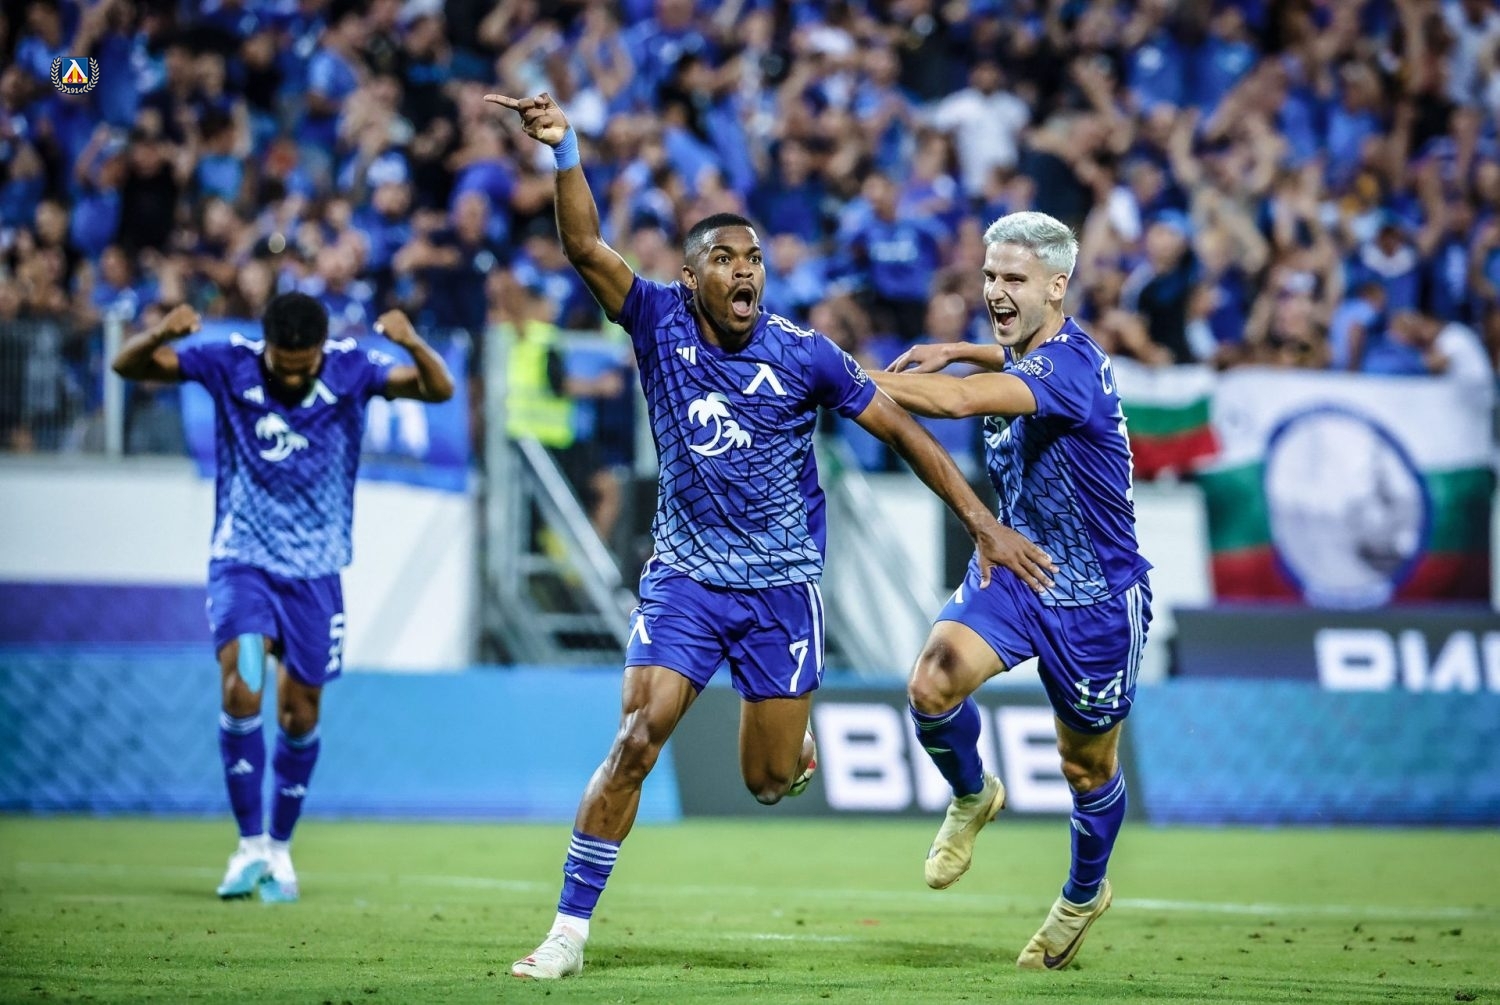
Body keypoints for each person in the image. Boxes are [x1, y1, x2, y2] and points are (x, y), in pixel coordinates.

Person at [484, 90, 1034, 981]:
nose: (746, 272)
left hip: (781, 590)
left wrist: (981, 520)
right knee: (637, 737)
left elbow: (899, 427)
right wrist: (566, 149)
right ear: (692, 276)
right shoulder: (656, 319)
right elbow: (585, 247)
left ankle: (793, 750)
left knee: (768, 782)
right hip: (685, 578)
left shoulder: (803, 352)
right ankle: (568, 932)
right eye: (726, 258)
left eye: (755, 260)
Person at [874, 210, 1152, 972]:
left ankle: (1082, 893)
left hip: (1093, 597)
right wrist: (959, 348)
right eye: (990, 275)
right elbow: (1002, 359)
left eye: (1015, 279)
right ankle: (973, 793)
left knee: (1084, 767)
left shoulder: (1069, 370)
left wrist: (838, 374)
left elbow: (961, 402)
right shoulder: (1025, 347)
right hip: (1014, 564)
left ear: (1057, 288)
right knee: (931, 684)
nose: (996, 291)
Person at [110, 294, 455, 902]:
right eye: (283, 365)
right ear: (266, 345)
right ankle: (247, 847)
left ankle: (279, 850)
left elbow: (439, 389)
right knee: (242, 686)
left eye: (304, 365)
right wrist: (160, 330)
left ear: (321, 349)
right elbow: (127, 366)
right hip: (243, 560)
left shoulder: (352, 369)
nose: (293, 377)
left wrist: (411, 342)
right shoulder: (229, 362)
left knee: (300, 714)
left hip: (316, 575)